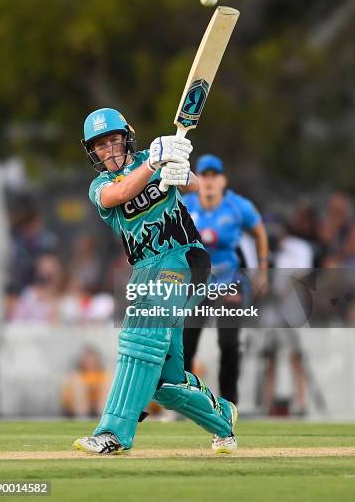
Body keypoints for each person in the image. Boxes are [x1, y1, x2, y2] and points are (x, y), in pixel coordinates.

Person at [74, 108, 238, 455]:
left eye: (113, 140)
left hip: (184, 257)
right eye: (100, 146)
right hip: (145, 270)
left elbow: (194, 185)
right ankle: (223, 420)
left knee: (140, 332)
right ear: (93, 153)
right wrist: (153, 167)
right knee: (166, 382)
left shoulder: (152, 157)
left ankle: (114, 433)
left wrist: (179, 172)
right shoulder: (100, 185)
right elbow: (119, 196)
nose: (109, 150)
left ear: (126, 137)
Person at [182, 154, 268, 405]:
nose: (208, 182)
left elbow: (260, 232)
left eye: (214, 176)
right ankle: (184, 401)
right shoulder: (185, 205)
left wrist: (262, 270)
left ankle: (229, 404)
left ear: (223, 181)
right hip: (196, 283)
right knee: (186, 345)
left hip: (229, 282)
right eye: (204, 176)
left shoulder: (237, 206)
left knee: (229, 344)